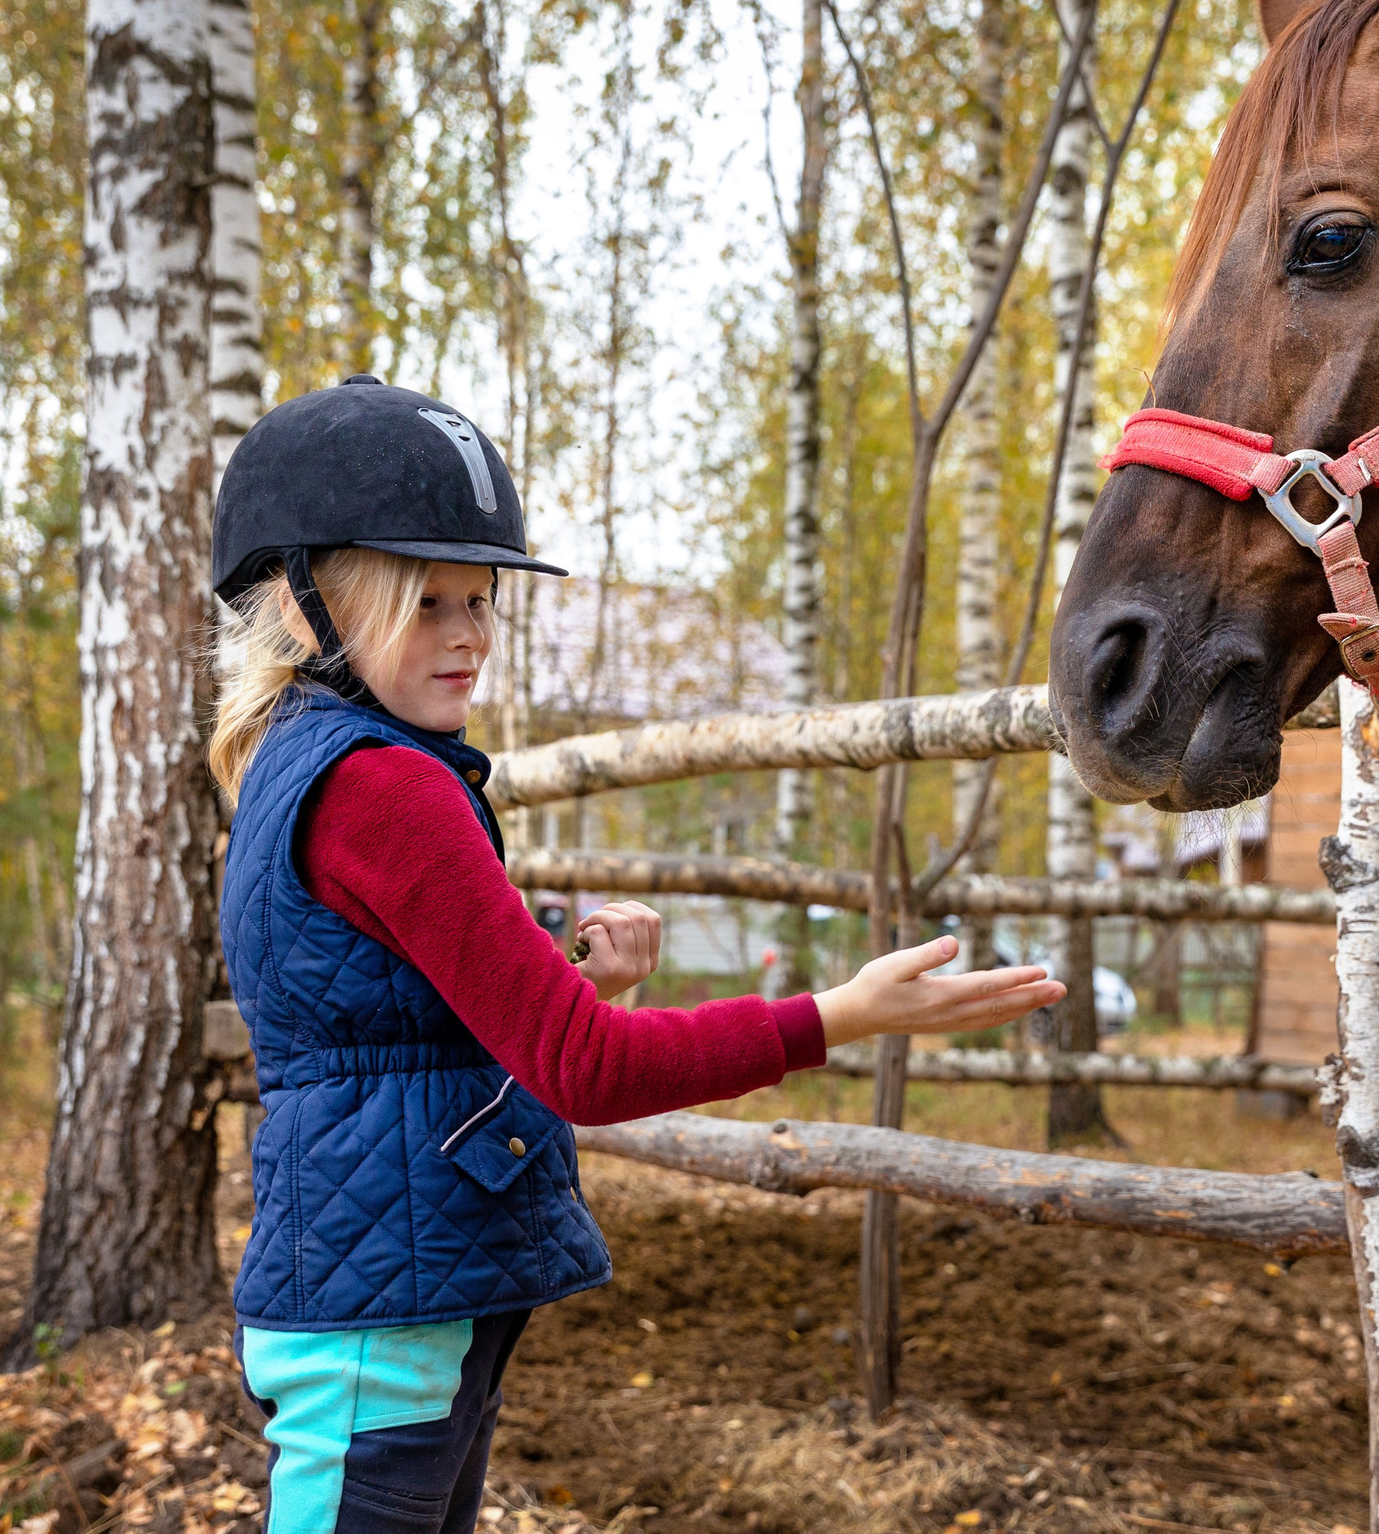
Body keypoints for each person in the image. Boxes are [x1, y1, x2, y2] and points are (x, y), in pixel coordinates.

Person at [207, 374, 1063, 1534]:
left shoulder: (301, 760)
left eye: (480, 600)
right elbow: (584, 1070)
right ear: (305, 608)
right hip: (383, 1328)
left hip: (391, 1299)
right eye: (426, 603)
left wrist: (574, 987)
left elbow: (391, 1038)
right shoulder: (386, 788)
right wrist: (845, 1014)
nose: (469, 638)